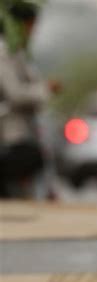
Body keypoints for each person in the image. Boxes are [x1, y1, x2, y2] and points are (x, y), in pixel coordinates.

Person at [0, 1, 58, 199]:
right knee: (30, 158)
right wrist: (43, 89)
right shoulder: (3, 52)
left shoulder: (18, 52)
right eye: (30, 25)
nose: (33, 30)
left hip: (22, 130)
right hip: (9, 131)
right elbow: (15, 94)